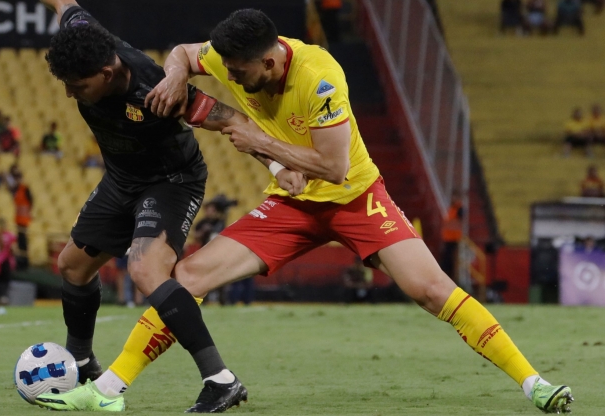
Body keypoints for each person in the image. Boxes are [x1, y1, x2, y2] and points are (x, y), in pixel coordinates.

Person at [46, 9, 573, 414]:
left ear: (270, 62)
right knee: (187, 277)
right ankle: (108, 389)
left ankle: (535, 384)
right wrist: (174, 77)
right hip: (291, 206)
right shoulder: (237, 57)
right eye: (227, 70)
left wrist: (261, 143)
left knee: (432, 290)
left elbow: (335, 168)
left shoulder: (320, 77)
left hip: (356, 200)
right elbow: (184, 52)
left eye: (240, 73)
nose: (232, 79)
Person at [31, 0, 306, 412]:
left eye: (78, 86)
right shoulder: (85, 38)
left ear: (106, 73)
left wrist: (277, 165)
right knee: (72, 266)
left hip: (171, 181)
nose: (70, 93)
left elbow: (233, 120)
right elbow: (64, 3)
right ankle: (83, 365)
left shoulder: (157, 91)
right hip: (121, 179)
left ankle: (220, 379)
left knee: (146, 270)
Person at [440, 191, 463, 281]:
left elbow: (458, 222)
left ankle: (452, 278)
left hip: (454, 238)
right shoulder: (451, 209)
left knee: (451, 260)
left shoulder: (459, 209)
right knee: (446, 259)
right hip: (447, 238)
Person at [12, 172, 32, 270]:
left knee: (23, 242)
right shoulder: (16, 189)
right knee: (20, 242)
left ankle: (25, 263)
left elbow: (30, 202)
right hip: (18, 219)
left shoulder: (25, 189)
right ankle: (21, 262)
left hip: (23, 220)